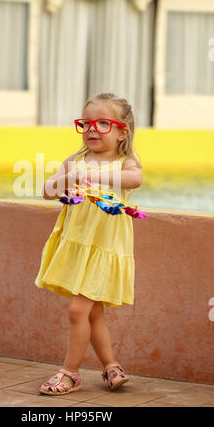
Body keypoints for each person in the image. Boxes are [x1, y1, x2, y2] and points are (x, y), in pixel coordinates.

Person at [35, 93, 143, 396]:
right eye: (87, 123)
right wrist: (68, 177)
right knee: (93, 312)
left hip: (105, 249)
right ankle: (110, 365)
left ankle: (69, 373)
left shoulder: (124, 164)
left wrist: (94, 175)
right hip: (79, 245)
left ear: (123, 132)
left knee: (77, 310)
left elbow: (135, 180)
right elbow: (47, 191)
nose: (92, 129)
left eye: (103, 123)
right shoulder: (76, 161)